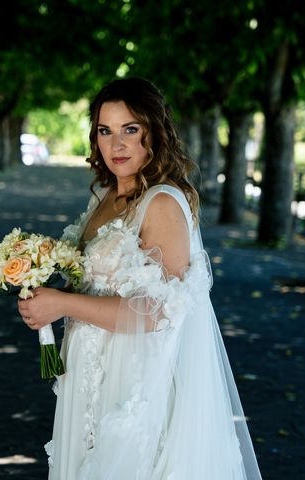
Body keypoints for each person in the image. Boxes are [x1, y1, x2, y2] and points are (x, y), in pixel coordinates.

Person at [17, 77, 262, 479]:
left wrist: (63, 305)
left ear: (155, 132)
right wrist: (47, 296)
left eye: (131, 129)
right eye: (105, 131)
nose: (117, 145)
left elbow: (160, 311)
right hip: (88, 373)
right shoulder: (105, 195)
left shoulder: (162, 202)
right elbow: (99, 286)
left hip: (134, 382)